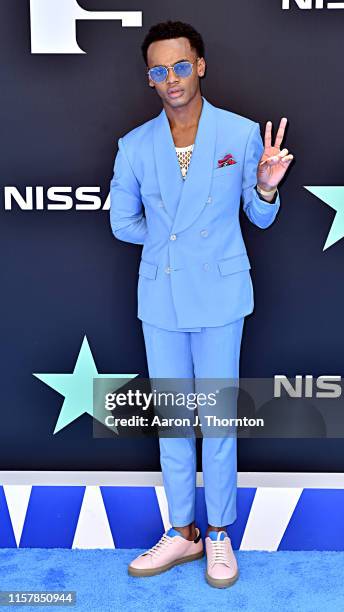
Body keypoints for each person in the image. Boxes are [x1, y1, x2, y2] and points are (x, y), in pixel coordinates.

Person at [109, 20, 293, 588]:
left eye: (181, 66)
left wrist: (265, 186)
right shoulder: (135, 145)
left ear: (200, 66)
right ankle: (182, 531)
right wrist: (172, 242)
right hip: (160, 295)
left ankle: (218, 535)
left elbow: (259, 216)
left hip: (219, 293)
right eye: (159, 71)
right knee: (172, 420)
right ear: (150, 79)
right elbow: (122, 223)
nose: (172, 79)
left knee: (215, 420)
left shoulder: (239, 136)